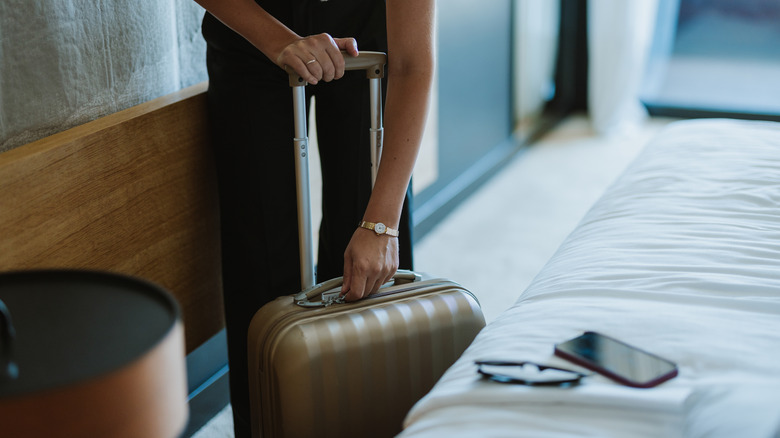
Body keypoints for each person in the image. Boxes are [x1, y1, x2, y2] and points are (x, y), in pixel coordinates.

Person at [192, 1, 434, 436]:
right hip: (254, 21)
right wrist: (279, 40)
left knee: (371, 268)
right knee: (261, 267)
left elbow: (414, 64)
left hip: (369, 26)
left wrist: (381, 226)